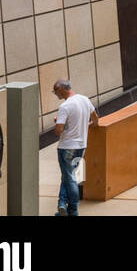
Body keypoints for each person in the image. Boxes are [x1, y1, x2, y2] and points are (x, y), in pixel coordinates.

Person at [52, 79, 97, 216]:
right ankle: (62, 205)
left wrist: (58, 122)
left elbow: (59, 130)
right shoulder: (85, 100)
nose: (55, 94)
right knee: (68, 176)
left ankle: (73, 210)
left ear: (62, 89)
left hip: (66, 147)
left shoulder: (65, 107)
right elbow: (95, 120)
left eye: (55, 91)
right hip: (81, 146)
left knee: (69, 178)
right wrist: (84, 126)